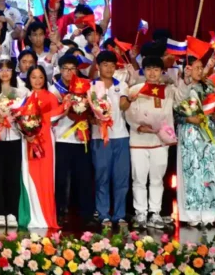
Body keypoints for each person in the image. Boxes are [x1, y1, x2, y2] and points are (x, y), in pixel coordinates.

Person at [124, 55, 175, 229]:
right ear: (143, 71)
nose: (152, 73)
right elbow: (128, 112)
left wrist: (186, 79)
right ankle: (140, 213)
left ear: (162, 71)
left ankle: (155, 212)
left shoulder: (168, 90)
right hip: (138, 140)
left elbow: (181, 98)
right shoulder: (135, 89)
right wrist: (138, 126)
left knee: (157, 179)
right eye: (148, 69)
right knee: (139, 178)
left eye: (156, 69)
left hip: (160, 141)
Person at [173, 55, 215, 227]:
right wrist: (188, 119)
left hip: (206, 131)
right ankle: (191, 215)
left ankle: (207, 214)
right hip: (189, 131)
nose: (200, 71)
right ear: (188, 69)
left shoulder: (208, 86)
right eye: (197, 67)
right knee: (190, 171)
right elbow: (175, 112)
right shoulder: (182, 87)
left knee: (208, 171)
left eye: (201, 67)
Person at [89, 50, 131, 228]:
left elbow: (124, 104)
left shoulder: (122, 85)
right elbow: (87, 113)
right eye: (105, 65)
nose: (109, 68)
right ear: (98, 66)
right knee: (102, 177)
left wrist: (129, 100)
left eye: (112, 65)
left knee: (121, 178)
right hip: (99, 138)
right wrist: (94, 119)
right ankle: (103, 214)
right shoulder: (90, 87)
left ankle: (120, 214)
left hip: (120, 136)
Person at [51, 54, 94, 223]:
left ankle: (86, 214)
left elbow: (93, 109)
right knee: (60, 178)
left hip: (81, 138)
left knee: (84, 177)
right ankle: (59, 212)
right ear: (60, 70)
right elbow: (51, 116)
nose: (69, 72)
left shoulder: (85, 87)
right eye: (65, 69)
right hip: (61, 139)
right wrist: (66, 107)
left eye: (72, 69)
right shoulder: (55, 90)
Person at [19, 65, 60, 229]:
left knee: (46, 178)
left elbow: (56, 117)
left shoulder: (51, 97)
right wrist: (26, 132)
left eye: (41, 77)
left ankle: (46, 217)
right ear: (28, 78)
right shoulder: (24, 97)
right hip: (28, 141)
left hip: (46, 142)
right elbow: (18, 119)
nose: (37, 81)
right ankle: (31, 216)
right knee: (28, 176)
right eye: (33, 77)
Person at [0, 57, 25, 228]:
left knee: (13, 176)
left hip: (15, 138)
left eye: (8, 70)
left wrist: (16, 116)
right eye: (1, 70)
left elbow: (26, 115)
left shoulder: (20, 92)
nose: (5, 73)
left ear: (13, 72)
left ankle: (12, 212)